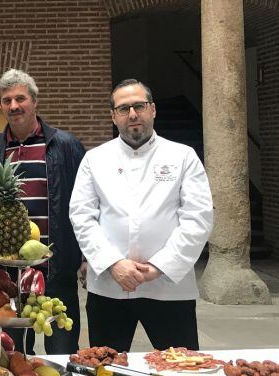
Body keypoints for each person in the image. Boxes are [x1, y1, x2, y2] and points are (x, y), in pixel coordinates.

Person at [69, 79, 214, 352]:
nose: (132, 114)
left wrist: (159, 266)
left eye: (139, 105)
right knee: (106, 371)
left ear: (153, 110)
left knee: (181, 371)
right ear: (113, 116)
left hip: (168, 287)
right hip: (110, 285)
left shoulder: (183, 157)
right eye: (123, 109)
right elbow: (82, 216)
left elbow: (198, 218)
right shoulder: (95, 160)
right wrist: (113, 263)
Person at [0, 69, 86, 355]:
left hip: (57, 268)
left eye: (20, 98)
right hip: (10, 275)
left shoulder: (66, 146)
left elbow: (86, 204)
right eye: (6, 100)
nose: (14, 106)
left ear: (34, 101)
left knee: (62, 350)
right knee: (13, 353)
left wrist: (85, 257)